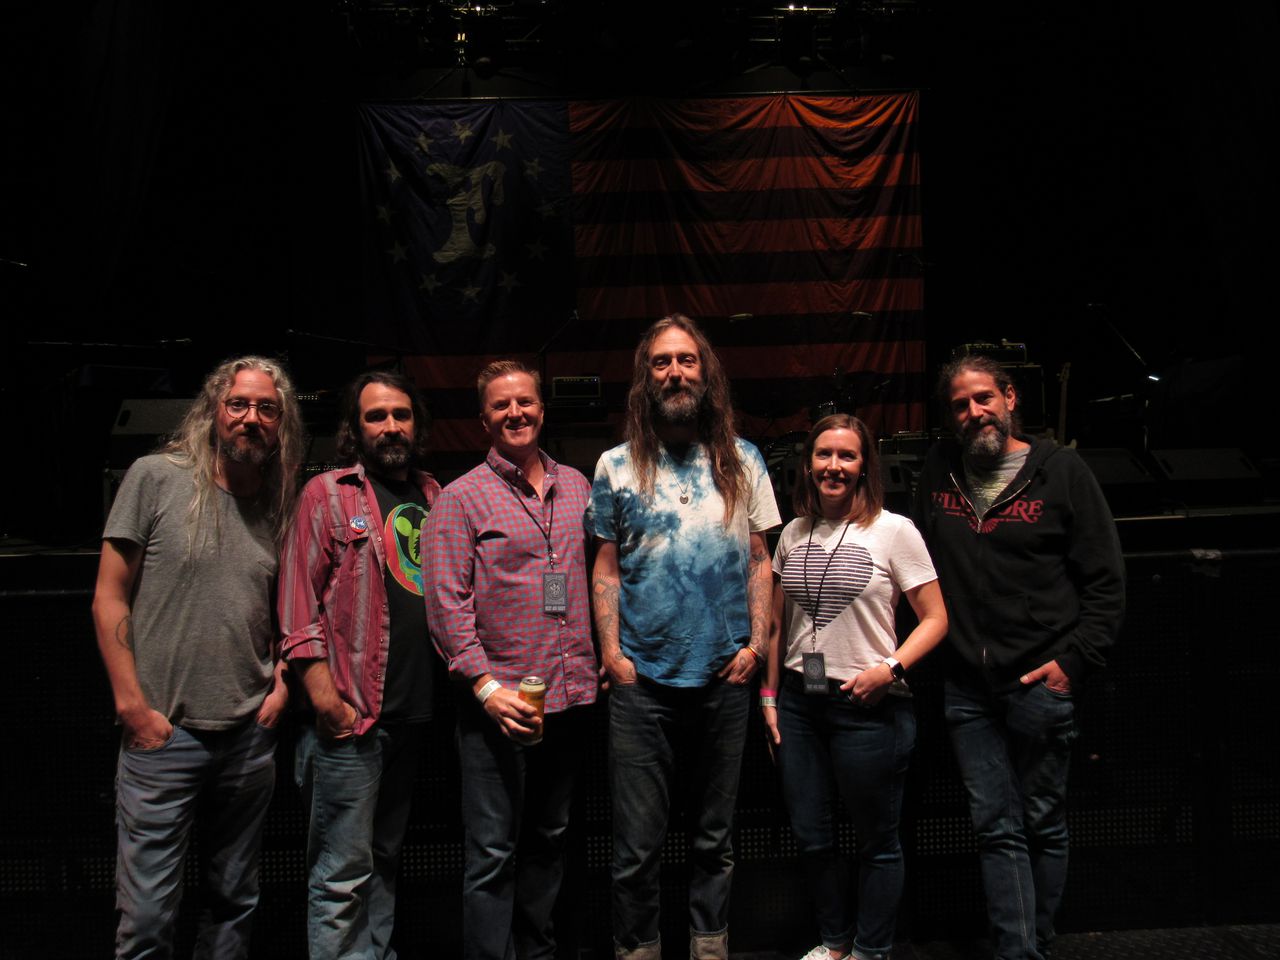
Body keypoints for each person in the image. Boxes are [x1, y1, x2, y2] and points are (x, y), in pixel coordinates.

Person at [913, 355, 1125, 960]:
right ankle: (1019, 950)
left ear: (1009, 398)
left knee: (1043, 820)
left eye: (984, 397)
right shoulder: (938, 469)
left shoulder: (1062, 471)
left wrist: (1074, 663)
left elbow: (1106, 581)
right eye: (960, 404)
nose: (974, 412)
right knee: (995, 827)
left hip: (1039, 680)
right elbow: (918, 564)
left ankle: (1038, 937)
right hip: (966, 686)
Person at [92, 355, 303, 959]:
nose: (251, 418)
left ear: (281, 423)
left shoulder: (280, 501)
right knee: (147, 919)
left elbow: (287, 605)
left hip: (248, 739)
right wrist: (133, 708)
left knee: (234, 904)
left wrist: (282, 683)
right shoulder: (155, 478)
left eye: (267, 409)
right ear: (214, 410)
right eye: (238, 404)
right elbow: (108, 596)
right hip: (166, 734)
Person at [590, 313, 781, 960]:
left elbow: (760, 558)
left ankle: (710, 951)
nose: (675, 372)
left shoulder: (743, 459)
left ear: (706, 373)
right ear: (645, 378)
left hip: (724, 678)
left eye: (687, 360)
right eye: (662, 362)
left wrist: (756, 647)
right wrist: (612, 655)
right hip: (641, 686)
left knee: (714, 841)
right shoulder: (616, 466)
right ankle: (638, 951)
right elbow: (606, 566)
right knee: (635, 849)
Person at [425, 359, 597, 960]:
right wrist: (485, 690)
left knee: (550, 839)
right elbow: (446, 607)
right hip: (496, 709)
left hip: (569, 701)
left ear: (542, 410)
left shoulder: (578, 486)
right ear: (483, 420)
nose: (515, 413)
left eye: (525, 402)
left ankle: (537, 951)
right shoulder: (460, 498)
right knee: (493, 853)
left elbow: (601, 577)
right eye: (501, 405)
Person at [761, 415, 947, 960]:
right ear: (808, 464)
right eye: (824, 454)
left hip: (867, 705)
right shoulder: (793, 532)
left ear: (865, 465)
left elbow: (936, 619)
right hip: (800, 703)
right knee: (813, 837)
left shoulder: (894, 530)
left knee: (878, 843)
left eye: (847, 455)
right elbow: (775, 626)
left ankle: (871, 951)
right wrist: (768, 698)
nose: (834, 466)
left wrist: (890, 669)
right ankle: (836, 943)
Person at [278, 370, 442, 960]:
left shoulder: (434, 494)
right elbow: (297, 606)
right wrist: (326, 701)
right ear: (355, 428)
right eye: (376, 416)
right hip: (350, 721)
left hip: (411, 718)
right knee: (340, 876)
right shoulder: (327, 493)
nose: (391, 426)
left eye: (401, 414)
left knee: (384, 861)